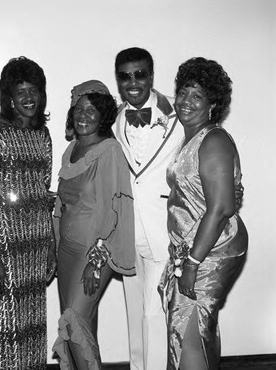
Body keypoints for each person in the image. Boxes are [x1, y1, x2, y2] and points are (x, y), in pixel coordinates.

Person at [158, 57, 248, 370]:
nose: (185, 101)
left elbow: (222, 207)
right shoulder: (193, 138)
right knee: (192, 329)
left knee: (189, 332)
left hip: (210, 252)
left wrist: (193, 263)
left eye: (197, 96)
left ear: (212, 104)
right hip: (197, 250)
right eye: (183, 92)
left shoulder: (214, 139)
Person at [0, 56, 57, 370]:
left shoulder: (43, 136)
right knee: (9, 327)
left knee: (34, 323)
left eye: (34, 91)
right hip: (7, 247)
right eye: (21, 91)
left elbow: (42, 193)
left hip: (37, 242)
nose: (28, 98)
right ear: (9, 97)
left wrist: (51, 244)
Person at [52, 80, 135, 369]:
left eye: (91, 110)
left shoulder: (109, 150)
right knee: (81, 323)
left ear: (103, 115)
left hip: (94, 252)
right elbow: (65, 204)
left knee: (74, 318)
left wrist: (96, 261)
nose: (83, 115)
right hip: (67, 250)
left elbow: (115, 209)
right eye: (78, 109)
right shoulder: (71, 150)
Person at [113, 47, 184, 370]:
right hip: (128, 231)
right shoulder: (113, 119)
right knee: (135, 316)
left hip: (162, 229)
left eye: (139, 74)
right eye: (125, 76)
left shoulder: (179, 115)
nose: (133, 82)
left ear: (151, 76)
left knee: (153, 315)